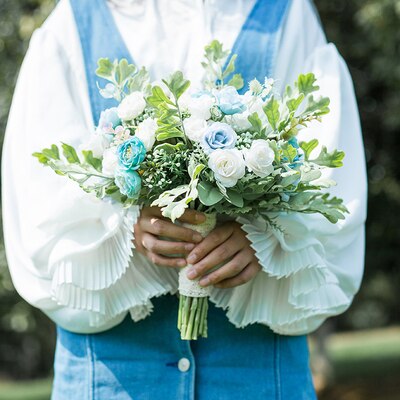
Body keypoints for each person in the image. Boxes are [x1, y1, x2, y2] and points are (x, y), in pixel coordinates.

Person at [2, 0, 367, 398]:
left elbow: (329, 176)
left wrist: (264, 241)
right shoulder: (72, 23)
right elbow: (41, 194)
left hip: (261, 380)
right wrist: (126, 233)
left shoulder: (286, 14)